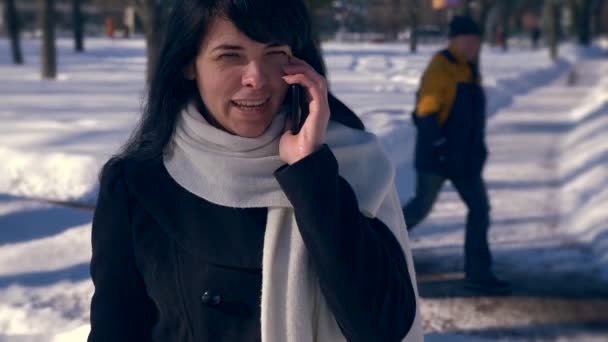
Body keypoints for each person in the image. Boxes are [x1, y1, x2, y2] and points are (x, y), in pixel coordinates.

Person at [88, 0, 423, 341]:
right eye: (230, 55)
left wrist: (311, 171)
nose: (256, 78)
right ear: (189, 63)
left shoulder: (349, 161)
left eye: (274, 54)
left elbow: (383, 328)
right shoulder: (137, 184)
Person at [402, 16, 510, 294]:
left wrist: (478, 149)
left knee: (480, 209)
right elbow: (425, 111)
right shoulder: (441, 67)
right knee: (418, 209)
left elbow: (471, 117)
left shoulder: (469, 69)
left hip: (465, 160)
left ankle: (478, 272)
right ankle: (370, 250)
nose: (473, 45)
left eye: (476, 40)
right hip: (437, 158)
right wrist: (438, 145)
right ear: (454, 39)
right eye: (468, 39)